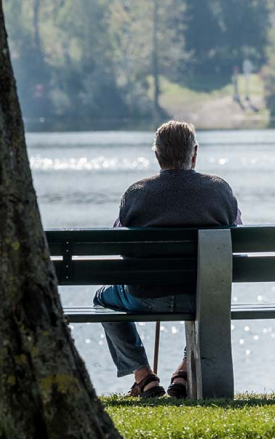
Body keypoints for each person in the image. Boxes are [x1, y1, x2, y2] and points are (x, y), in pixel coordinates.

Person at [94, 120, 242, 399]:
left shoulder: (135, 193)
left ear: (157, 156)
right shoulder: (220, 190)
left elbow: (121, 246)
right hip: (201, 294)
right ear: (194, 153)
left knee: (103, 301)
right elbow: (236, 247)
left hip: (146, 295)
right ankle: (184, 371)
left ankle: (143, 377)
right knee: (207, 294)